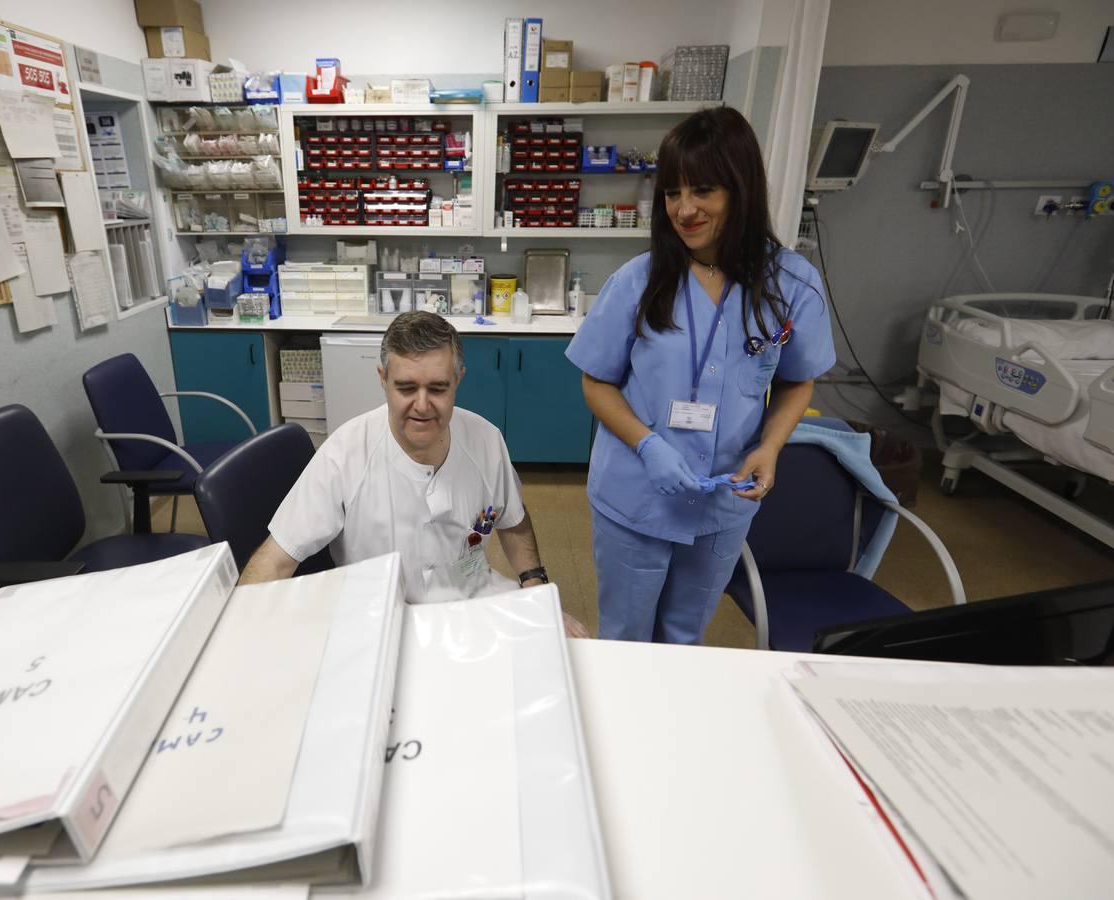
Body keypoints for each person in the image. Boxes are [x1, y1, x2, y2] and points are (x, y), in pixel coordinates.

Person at [564, 107, 836, 644]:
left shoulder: (793, 286)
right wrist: (647, 446)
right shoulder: (638, 282)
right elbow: (596, 382)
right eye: (671, 193)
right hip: (636, 495)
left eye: (703, 191)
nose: (684, 210)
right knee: (626, 638)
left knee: (685, 636)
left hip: (724, 498)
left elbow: (796, 380)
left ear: (741, 189)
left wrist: (772, 447)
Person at [241, 311, 591, 637]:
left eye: (437, 388)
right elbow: (276, 558)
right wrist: (232, 635)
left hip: (474, 600)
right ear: (383, 379)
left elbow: (513, 522)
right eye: (406, 388)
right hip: (379, 620)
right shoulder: (344, 454)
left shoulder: (486, 440)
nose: (422, 405)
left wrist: (538, 593)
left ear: (458, 380)